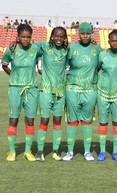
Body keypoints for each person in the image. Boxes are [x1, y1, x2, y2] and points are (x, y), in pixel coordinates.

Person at [62, 22, 102, 161]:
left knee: (87, 121)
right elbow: (63, 64)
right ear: (78, 34)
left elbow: (100, 66)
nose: (85, 36)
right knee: (72, 120)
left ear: (91, 34)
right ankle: (70, 152)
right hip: (72, 89)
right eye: (82, 33)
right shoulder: (71, 47)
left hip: (90, 89)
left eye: (87, 33)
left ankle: (87, 152)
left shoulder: (97, 49)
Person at [1, 24, 40, 161]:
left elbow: (51, 48)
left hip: (31, 89)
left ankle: (28, 151)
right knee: (14, 119)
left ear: (31, 37)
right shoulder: (11, 49)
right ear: (18, 37)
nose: (25, 40)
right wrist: (13, 76)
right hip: (15, 89)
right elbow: (4, 64)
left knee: (30, 120)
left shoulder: (35, 48)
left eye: (28, 37)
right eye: (22, 37)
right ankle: (12, 151)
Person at [34, 27, 69, 161]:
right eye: (57, 36)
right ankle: (40, 151)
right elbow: (30, 47)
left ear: (64, 38)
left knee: (57, 121)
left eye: (62, 36)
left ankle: (55, 150)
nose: (59, 39)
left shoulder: (66, 51)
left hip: (60, 92)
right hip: (46, 90)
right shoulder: (44, 46)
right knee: (44, 120)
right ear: (52, 36)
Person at [97, 29, 117, 161]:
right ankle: (102, 151)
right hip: (103, 94)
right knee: (103, 123)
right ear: (108, 41)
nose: (115, 43)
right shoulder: (102, 56)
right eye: (112, 40)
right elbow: (96, 69)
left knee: (116, 122)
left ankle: (115, 151)